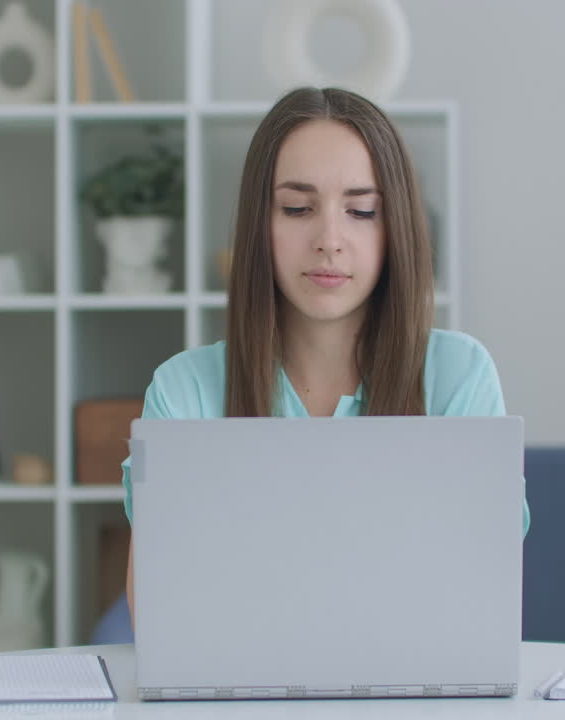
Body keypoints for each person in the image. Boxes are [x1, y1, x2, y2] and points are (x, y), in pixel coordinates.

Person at [119, 86, 528, 626]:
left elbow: (477, 595)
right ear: (259, 224)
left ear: (395, 228)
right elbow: (159, 612)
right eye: (297, 208)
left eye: (362, 210)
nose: (329, 240)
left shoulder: (458, 376)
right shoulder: (184, 391)